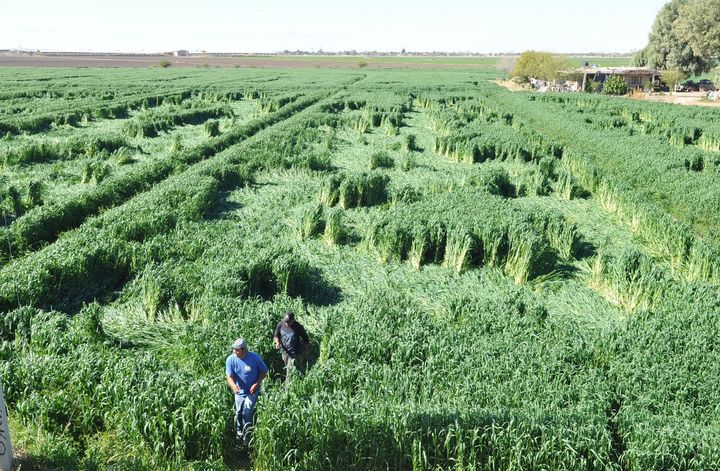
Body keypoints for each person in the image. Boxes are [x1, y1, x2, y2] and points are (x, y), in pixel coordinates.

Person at [225, 338, 267, 445]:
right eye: (234, 349)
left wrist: (256, 384)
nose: (235, 352)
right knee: (238, 412)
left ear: (244, 350)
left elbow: (264, 371)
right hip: (239, 391)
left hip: (252, 391)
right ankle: (239, 433)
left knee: (247, 412)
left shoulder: (254, 357)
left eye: (237, 350)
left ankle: (247, 436)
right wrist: (233, 386)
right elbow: (229, 376)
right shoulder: (231, 359)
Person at [273, 311, 309, 383]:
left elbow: (305, 338)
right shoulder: (280, 324)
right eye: (285, 321)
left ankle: (287, 389)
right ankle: (299, 380)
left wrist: (306, 350)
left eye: (288, 322)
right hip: (284, 352)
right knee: (289, 368)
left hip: (294, 353)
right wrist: (277, 343)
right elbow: (276, 335)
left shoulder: (298, 327)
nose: (287, 323)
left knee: (289, 371)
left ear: (293, 320)